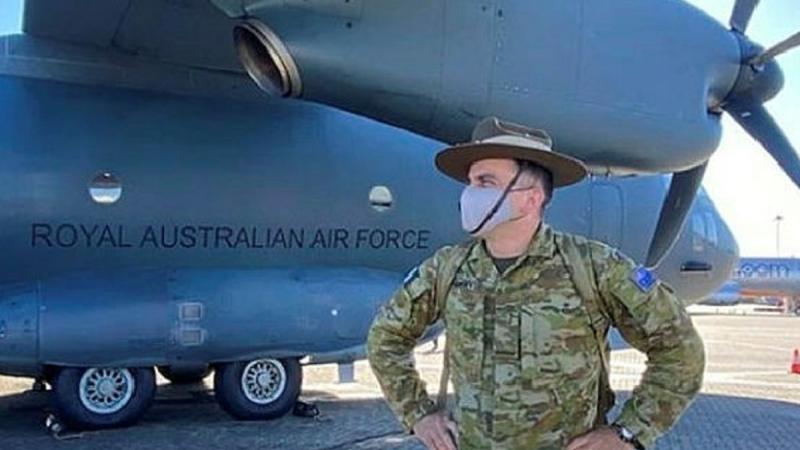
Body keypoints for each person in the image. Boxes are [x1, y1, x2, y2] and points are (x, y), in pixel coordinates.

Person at [366, 117, 705, 450]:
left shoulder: (593, 267)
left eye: (485, 182)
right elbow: (386, 337)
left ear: (531, 198)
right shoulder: (447, 268)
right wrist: (418, 413)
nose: (470, 193)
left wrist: (629, 433)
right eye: (470, 182)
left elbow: (680, 349)